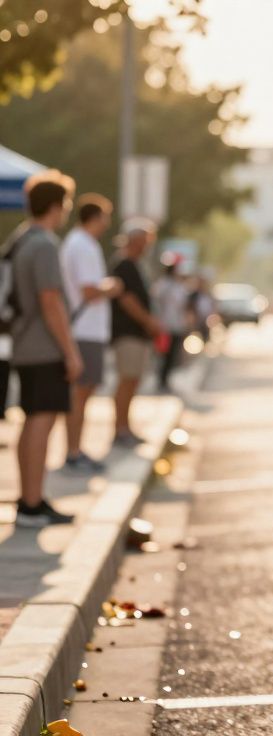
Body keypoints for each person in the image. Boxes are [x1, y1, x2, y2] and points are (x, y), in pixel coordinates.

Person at [5, 170, 81, 527]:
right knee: (41, 422)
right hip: (44, 348)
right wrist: (71, 351)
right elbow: (51, 302)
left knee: (31, 421)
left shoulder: (21, 239)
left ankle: (30, 499)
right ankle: (32, 504)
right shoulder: (45, 244)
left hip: (22, 344)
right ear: (57, 205)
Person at [59, 194, 123, 474]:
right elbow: (89, 290)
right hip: (84, 329)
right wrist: (111, 287)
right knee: (81, 393)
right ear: (95, 218)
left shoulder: (79, 243)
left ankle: (75, 450)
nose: (107, 224)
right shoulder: (83, 245)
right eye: (105, 217)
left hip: (86, 329)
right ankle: (73, 453)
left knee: (83, 392)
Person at [109, 218, 161, 446]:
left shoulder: (136, 264)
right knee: (127, 380)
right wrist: (148, 321)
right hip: (127, 332)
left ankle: (125, 427)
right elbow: (127, 300)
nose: (147, 245)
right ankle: (120, 429)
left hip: (136, 334)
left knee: (133, 381)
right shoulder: (124, 264)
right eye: (144, 240)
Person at [152, 256, 190, 393]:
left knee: (173, 356)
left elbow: (184, 305)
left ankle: (166, 380)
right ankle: (161, 381)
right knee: (164, 355)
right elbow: (156, 303)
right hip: (164, 326)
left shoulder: (179, 286)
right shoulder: (163, 285)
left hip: (177, 325)